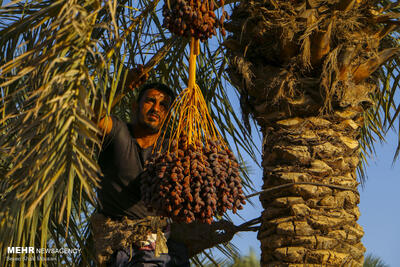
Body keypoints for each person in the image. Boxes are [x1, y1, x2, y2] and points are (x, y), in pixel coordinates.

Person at [94, 71, 190, 267]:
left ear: (167, 116)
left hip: (159, 242)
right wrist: (121, 86)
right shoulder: (118, 133)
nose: (156, 108)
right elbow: (92, 115)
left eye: (163, 105)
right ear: (135, 106)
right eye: (150, 101)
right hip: (118, 241)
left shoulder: (171, 150)